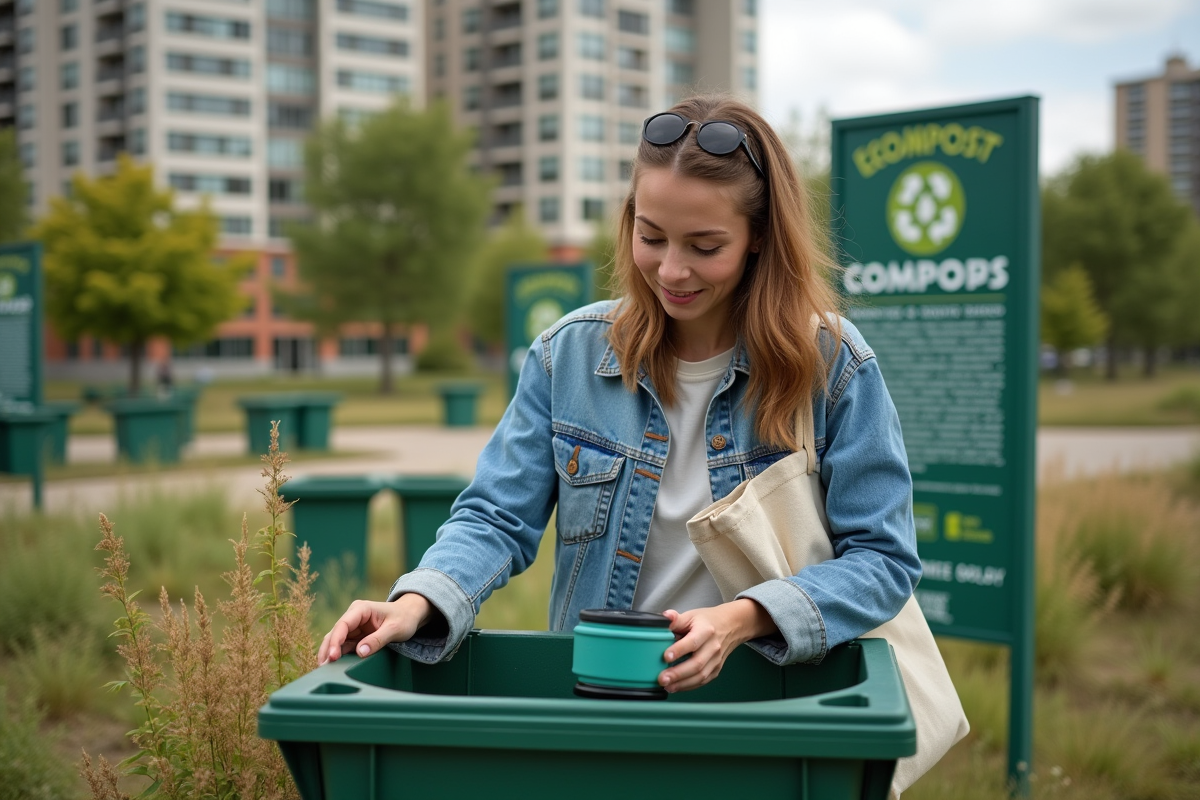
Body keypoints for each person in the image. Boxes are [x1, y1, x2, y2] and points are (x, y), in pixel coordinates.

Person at [319, 95, 919, 695]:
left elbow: (883, 559)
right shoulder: (568, 355)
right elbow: (496, 516)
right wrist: (421, 598)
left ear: (759, 237)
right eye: (651, 236)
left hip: (769, 702)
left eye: (704, 247)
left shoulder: (832, 365)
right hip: (603, 697)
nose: (672, 271)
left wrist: (744, 618)